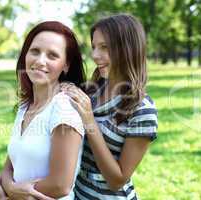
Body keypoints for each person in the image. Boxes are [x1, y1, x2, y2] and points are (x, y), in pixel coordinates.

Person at [61, 13, 158, 200]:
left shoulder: (142, 109)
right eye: (94, 47)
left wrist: (89, 120)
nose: (95, 56)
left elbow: (117, 180)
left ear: (128, 49)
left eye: (105, 47)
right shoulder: (91, 92)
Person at [0, 21, 86, 200]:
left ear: (66, 65)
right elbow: (10, 166)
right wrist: (9, 186)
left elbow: (60, 185)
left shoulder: (64, 109)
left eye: (52, 55)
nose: (40, 60)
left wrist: (12, 193)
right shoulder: (25, 105)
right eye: (34, 51)